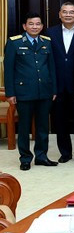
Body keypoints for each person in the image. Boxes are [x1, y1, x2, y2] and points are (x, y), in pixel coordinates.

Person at [4, 13, 58, 170]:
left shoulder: (46, 42)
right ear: (24, 26)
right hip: (24, 92)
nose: (35, 27)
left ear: (42, 26)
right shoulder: (14, 43)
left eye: (38, 24)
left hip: (45, 91)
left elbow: (52, 67)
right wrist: (10, 93)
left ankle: (41, 156)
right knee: (24, 127)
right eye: (31, 24)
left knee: (42, 126)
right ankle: (25, 158)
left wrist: (54, 88)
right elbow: (8, 70)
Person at [46, 2, 74, 163]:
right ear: (59, 14)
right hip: (58, 85)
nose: (68, 15)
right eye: (65, 12)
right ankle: (65, 153)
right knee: (59, 121)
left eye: (72, 12)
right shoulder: (50, 32)